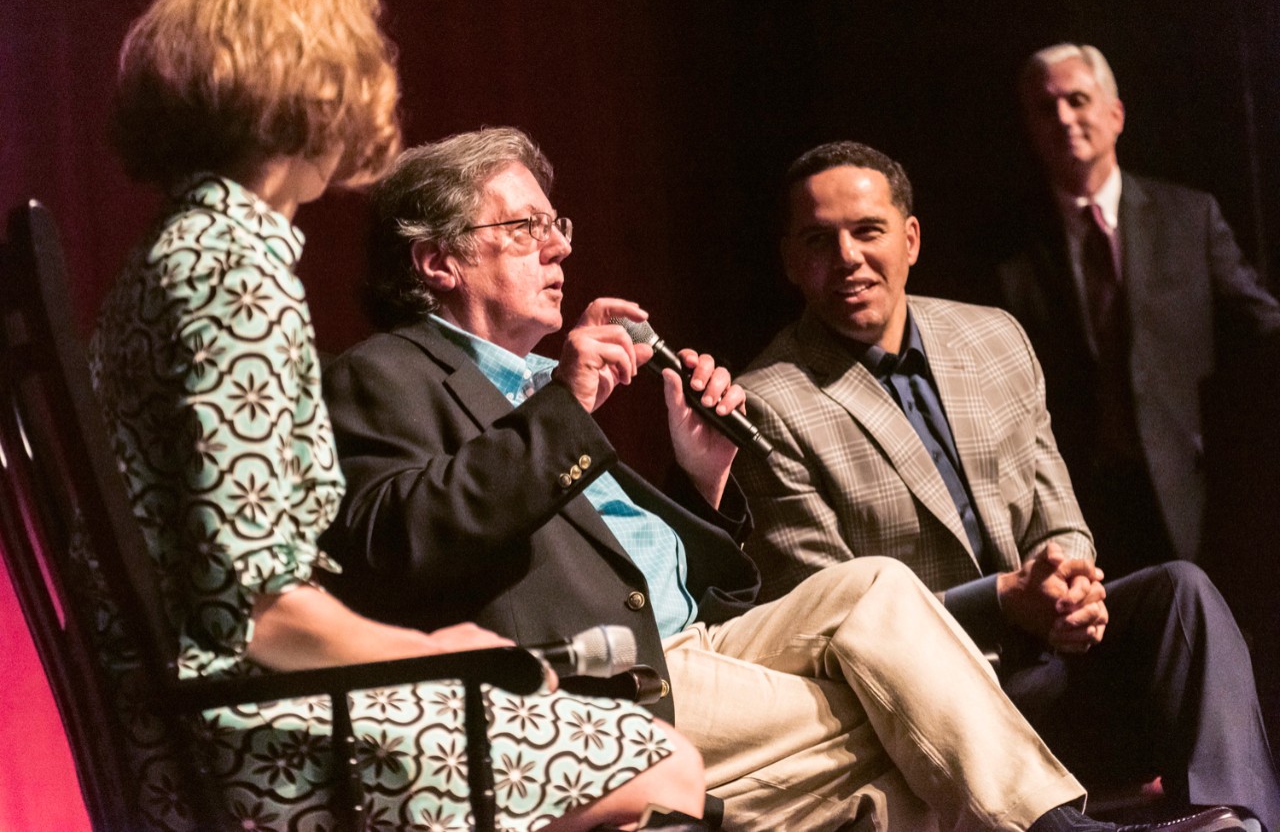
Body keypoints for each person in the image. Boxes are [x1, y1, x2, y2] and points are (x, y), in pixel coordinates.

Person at [320, 125, 1238, 832]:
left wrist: (701, 480)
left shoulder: (530, 389)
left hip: (702, 646)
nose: (559, 249)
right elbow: (397, 542)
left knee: (874, 590)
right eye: (525, 229)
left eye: (556, 226)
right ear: (436, 261)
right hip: (604, 678)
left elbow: (643, 562)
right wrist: (567, 405)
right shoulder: (387, 373)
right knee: (897, 724)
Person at [87, 0, 705, 830]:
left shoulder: (179, 249)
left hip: (196, 716)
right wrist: (430, 652)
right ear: (309, 83)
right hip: (251, 734)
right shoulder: (235, 271)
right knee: (660, 757)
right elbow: (261, 607)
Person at [732, 139, 1280, 831]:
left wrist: (1071, 580)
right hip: (928, 707)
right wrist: (1000, 601)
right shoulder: (769, 401)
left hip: (1052, 665)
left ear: (910, 239)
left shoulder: (993, 336)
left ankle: (1235, 820)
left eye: (867, 231)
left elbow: (1056, 511)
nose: (846, 258)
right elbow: (832, 620)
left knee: (1183, 592)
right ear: (789, 260)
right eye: (818, 239)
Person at [991, 43, 1280, 577]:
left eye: (1078, 100)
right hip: (1071, 504)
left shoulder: (1189, 218)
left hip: (1189, 490)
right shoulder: (1005, 246)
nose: (1063, 118)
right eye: (1044, 107)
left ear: (1115, 114)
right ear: (1029, 128)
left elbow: (1261, 326)